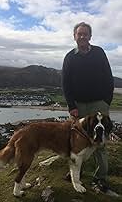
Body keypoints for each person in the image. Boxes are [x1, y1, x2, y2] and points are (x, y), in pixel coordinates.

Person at [62, 22, 118, 196]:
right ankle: (76, 173)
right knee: (77, 140)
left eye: (85, 34)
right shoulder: (70, 57)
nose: (82, 37)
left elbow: (109, 77)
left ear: (90, 36)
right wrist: (72, 106)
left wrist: (106, 101)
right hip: (78, 105)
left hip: (99, 104)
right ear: (74, 36)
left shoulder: (99, 52)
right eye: (79, 34)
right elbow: (66, 84)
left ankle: (100, 178)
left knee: (100, 143)